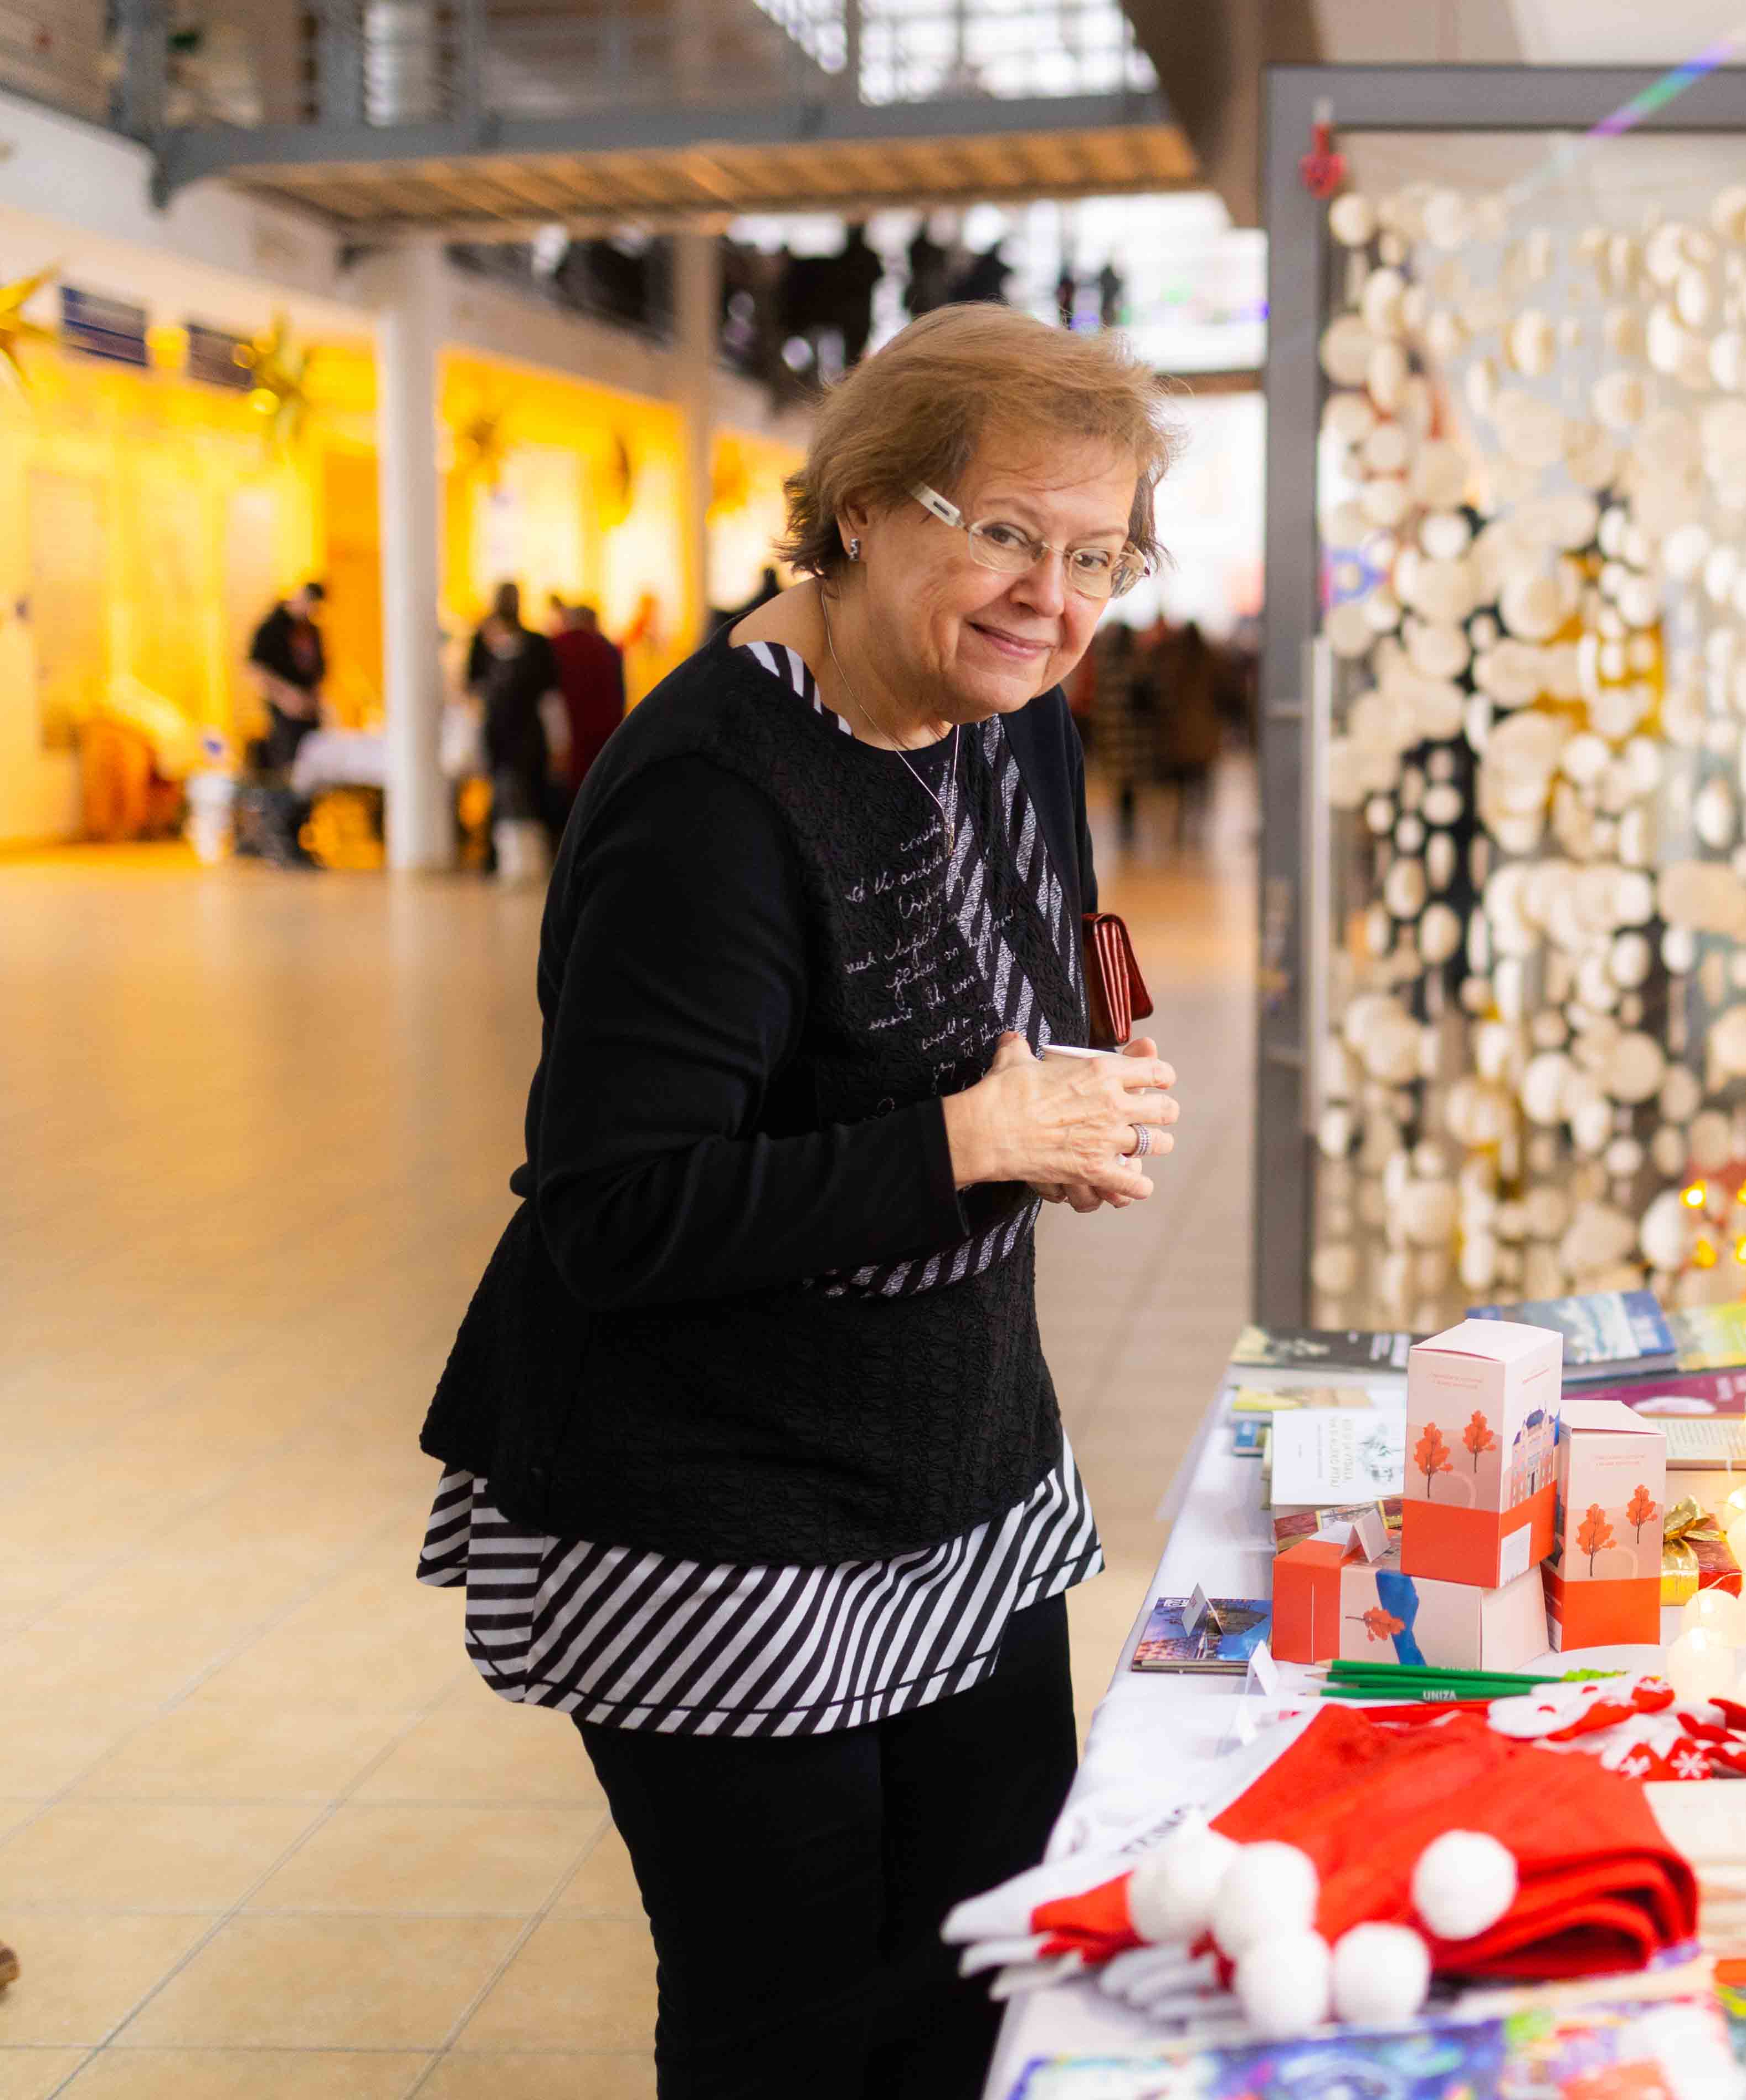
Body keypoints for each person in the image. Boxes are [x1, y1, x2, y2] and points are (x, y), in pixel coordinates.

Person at [416, 302, 1183, 2100]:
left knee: (986, 1965)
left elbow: (1028, 973)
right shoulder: (711, 792)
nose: (1049, 597)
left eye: (1095, 555)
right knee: (793, 2021)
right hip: (718, 1506)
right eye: (1004, 532)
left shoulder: (1011, 714)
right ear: (857, 509)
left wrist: (1067, 1104)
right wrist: (969, 1141)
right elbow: (618, 1211)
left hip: (960, 1460)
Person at [466, 583, 561, 850]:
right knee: (501, 794)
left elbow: (550, 697)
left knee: (531, 794)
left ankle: (529, 854)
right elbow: (473, 688)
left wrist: (558, 741)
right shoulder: (483, 643)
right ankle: (501, 854)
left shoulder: (536, 644)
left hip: (527, 734)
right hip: (499, 733)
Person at [245, 579, 329, 774]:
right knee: (287, 763)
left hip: (309, 709)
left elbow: (319, 669)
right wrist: (285, 696)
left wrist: (315, 699)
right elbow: (256, 669)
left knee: (313, 760)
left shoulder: (311, 630)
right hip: (284, 712)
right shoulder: (271, 628)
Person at [548, 597, 630, 796]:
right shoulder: (609, 650)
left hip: (567, 738)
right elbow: (619, 697)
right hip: (602, 737)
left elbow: (549, 700)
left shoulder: (555, 647)